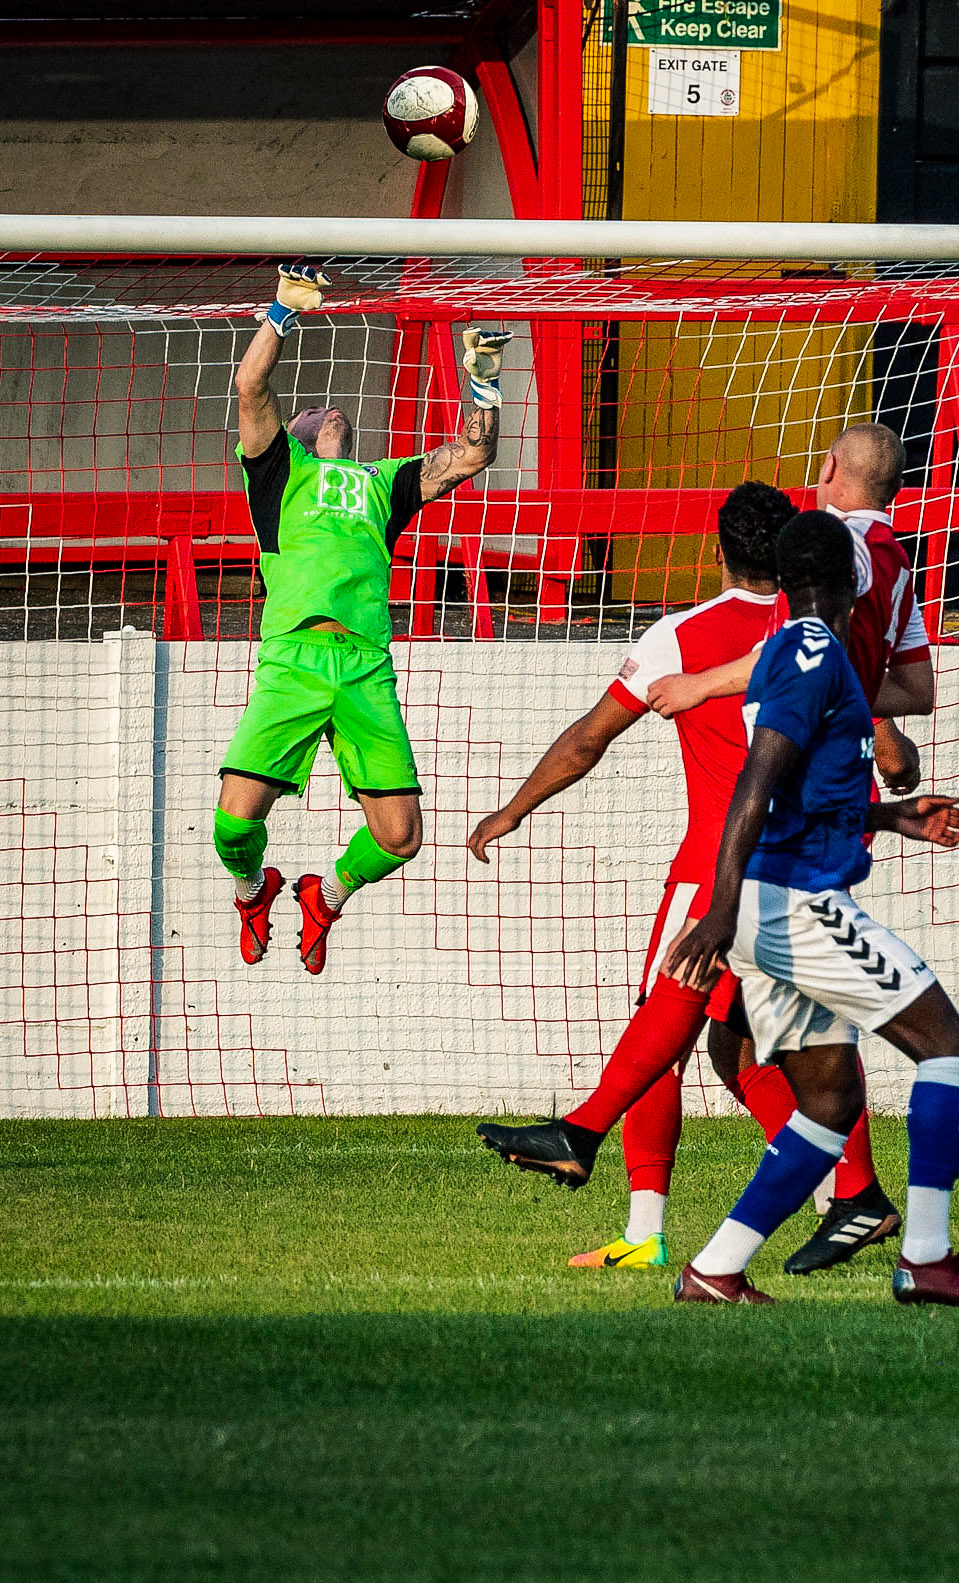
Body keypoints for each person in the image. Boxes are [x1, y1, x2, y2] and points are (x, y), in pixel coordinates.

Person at [664, 510, 959, 1310]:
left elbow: (798, 793)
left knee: (829, 1102)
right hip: (793, 903)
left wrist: (892, 816)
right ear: (853, 581)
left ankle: (714, 1271)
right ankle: (925, 1256)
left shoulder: (790, 650)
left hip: (776, 898)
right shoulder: (813, 652)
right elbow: (756, 779)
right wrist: (720, 907)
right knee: (948, 1043)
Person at [470, 483, 811, 1268]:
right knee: (753, 1050)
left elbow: (588, 739)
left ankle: (641, 1230)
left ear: (716, 550)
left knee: (662, 1037)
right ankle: (844, 1194)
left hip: (715, 870)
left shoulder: (681, 635)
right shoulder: (814, 630)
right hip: (801, 866)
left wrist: (512, 809)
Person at [646, 423, 935, 1272]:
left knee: (690, 1001)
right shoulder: (899, 563)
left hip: (785, 844)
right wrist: (864, 712)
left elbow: (793, 655)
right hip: (826, 820)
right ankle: (823, 1216)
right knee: (752, 1049)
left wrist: (700, 682)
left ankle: (591, 1142)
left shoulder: (827, 553)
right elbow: (915, 686)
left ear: (830, 469)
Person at [217, 261, 510, 974]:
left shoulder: (383, 483)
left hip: (365, 668)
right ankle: (253, 890)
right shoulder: (281, 471)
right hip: (294, 660)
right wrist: (283, 311)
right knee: (232, 826)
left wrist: (482, 378)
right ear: (297, 432)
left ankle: (326, 896)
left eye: (337, 413)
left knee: (401, 836)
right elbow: (250, 386)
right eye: (315, 411)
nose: (331, 411)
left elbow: (474, 452)